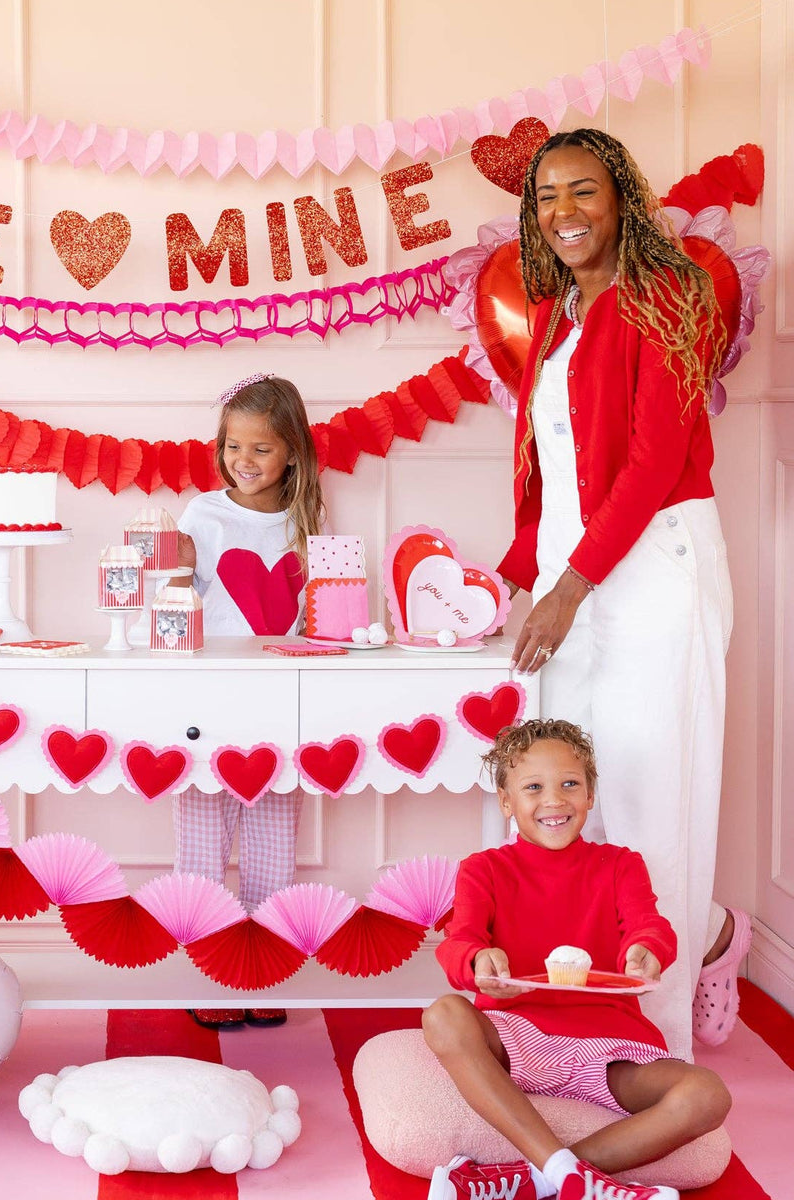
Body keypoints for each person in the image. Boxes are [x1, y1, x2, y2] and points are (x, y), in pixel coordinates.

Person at [498, 128, 749, 1059]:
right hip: (577, 570)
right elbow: (551, 472)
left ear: (622, 199)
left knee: (652, 802)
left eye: (584, 191)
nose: (564, 212)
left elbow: (651, 463)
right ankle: (581, 1026)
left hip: (655, 572)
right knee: (575, 801)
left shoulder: (667, 292)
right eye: (547, 196)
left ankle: (659, 1049)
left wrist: (567, 591)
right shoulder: (558, 311)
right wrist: (509, 580)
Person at [425, 720, 731, 1200]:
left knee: (709, 1095)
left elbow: (651, 927)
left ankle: (540, 1177)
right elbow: (457, 943)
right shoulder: (483, 869)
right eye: (533, 787)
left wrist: (647, 950)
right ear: (507, 803)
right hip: (515, 1035)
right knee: (442, 1014)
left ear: (590, 796)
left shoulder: (620, 864)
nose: (554, 800)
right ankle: (564, 1171)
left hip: (610, 1050)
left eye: (570, 784)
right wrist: (478, 960)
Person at [171, 373, 325, 1030]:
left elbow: (315, 612)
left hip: (278, 702)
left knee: (270, 847)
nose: (245, 461)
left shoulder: (306, 522)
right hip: (206, 700)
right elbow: (176, 602)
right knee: (203, 846)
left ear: (292, 452)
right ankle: (210, 970)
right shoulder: (202, 516)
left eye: (261, 449)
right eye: (234, 446)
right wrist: (169, 569)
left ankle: (263, 972)